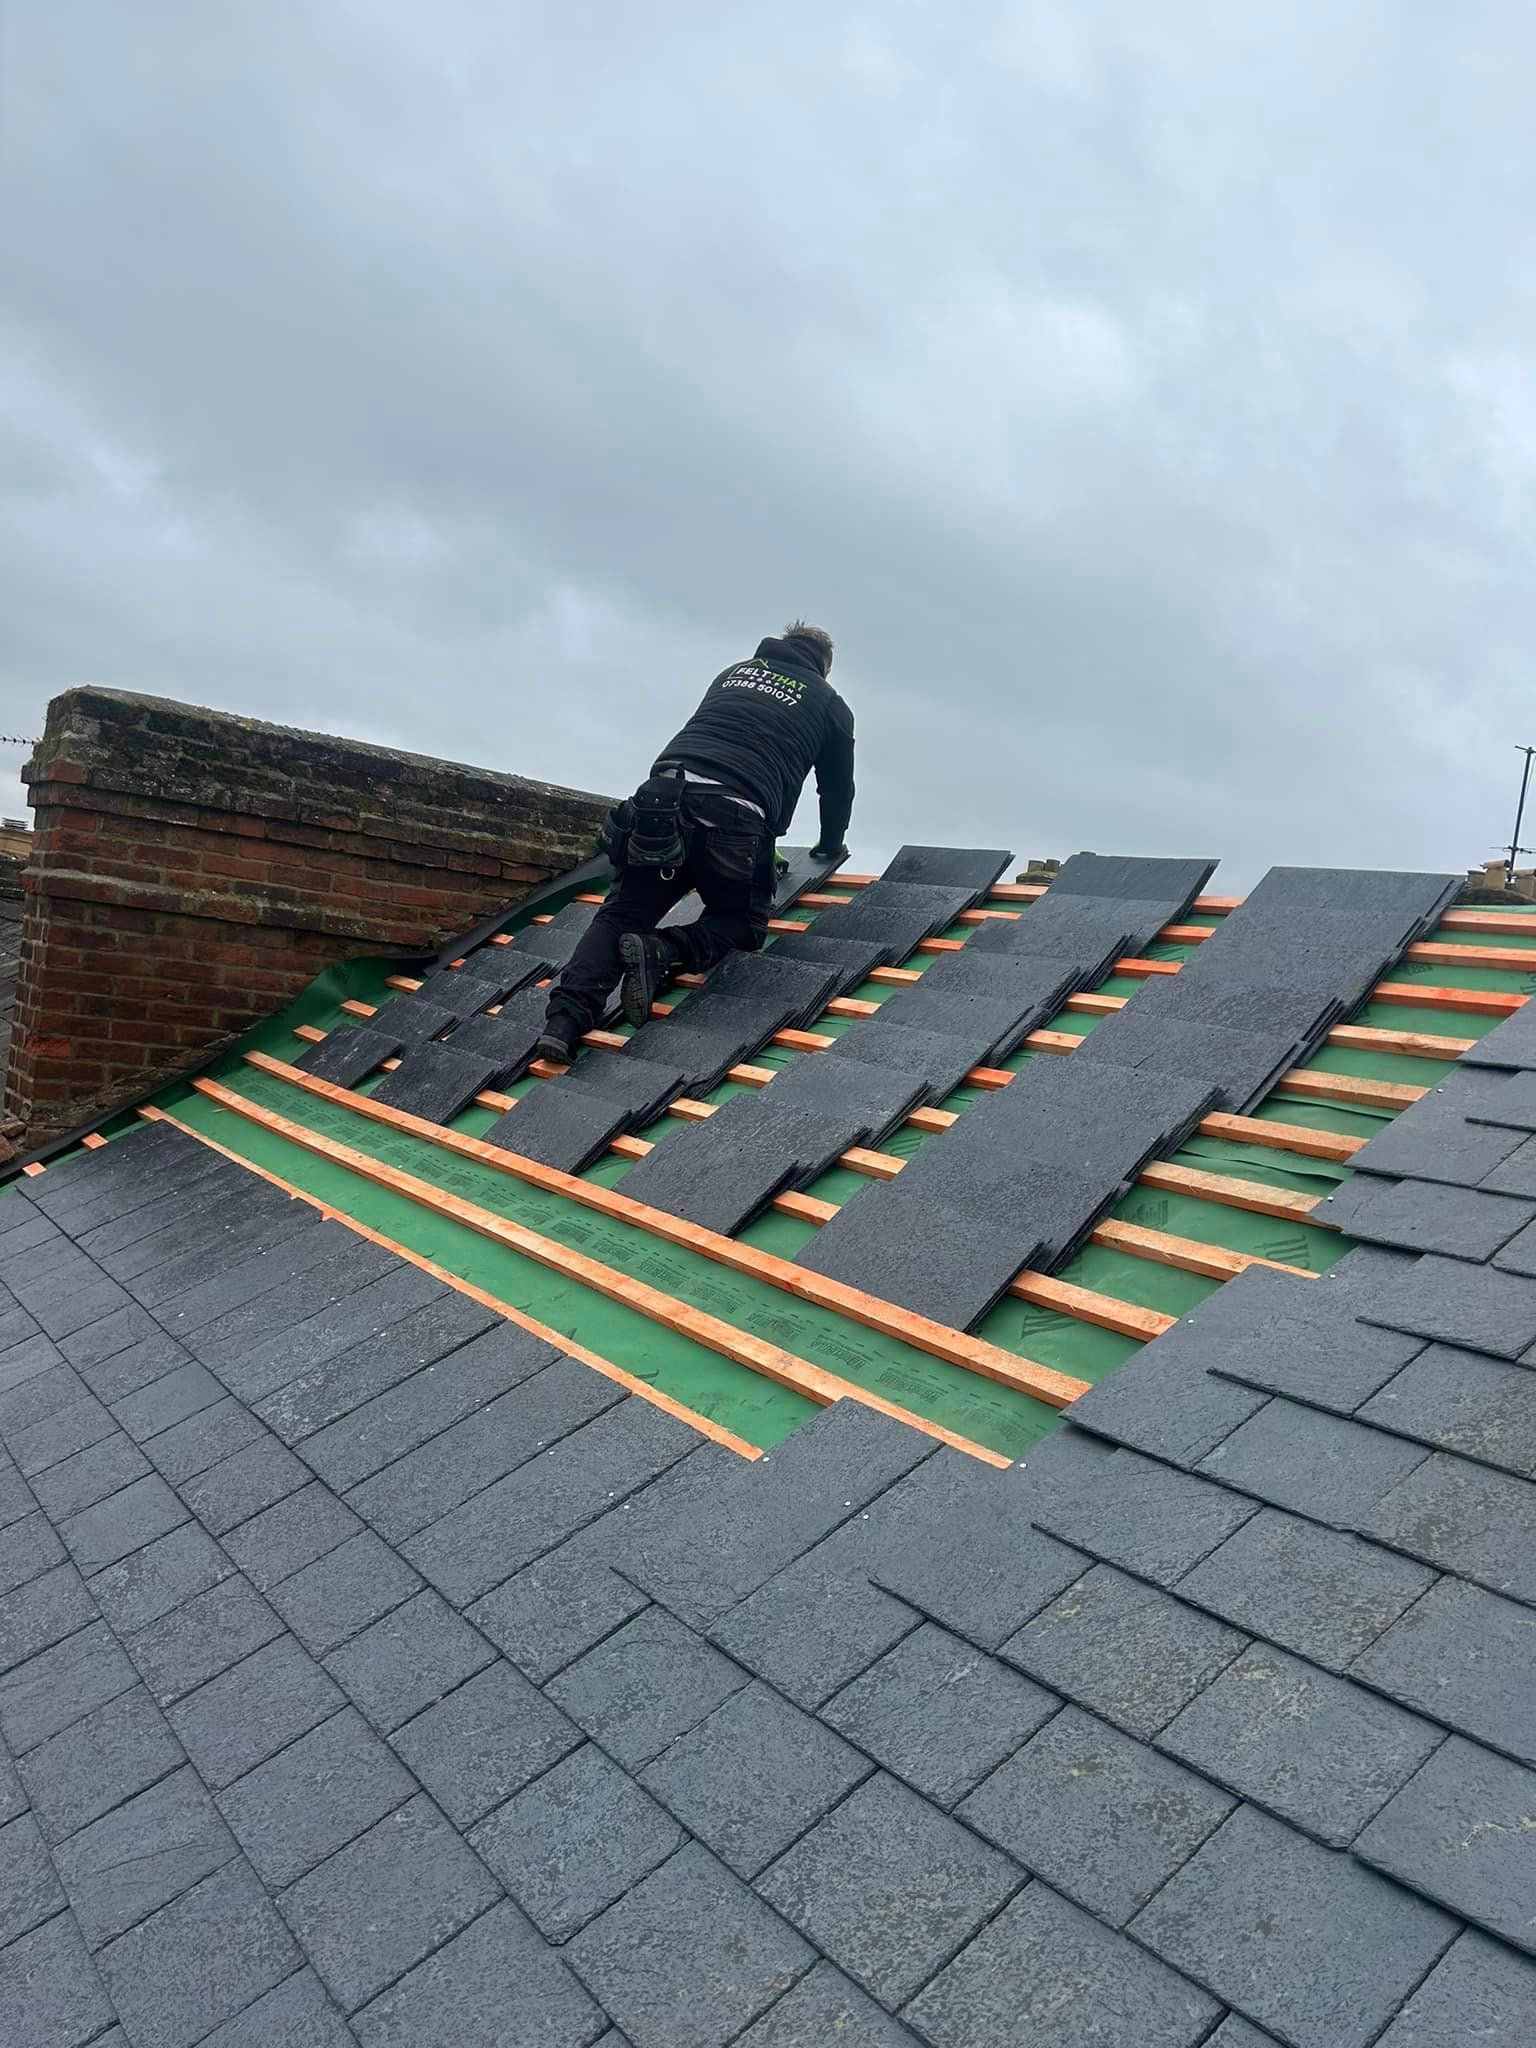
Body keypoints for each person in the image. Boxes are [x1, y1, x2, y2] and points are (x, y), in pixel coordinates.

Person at [539, 621, 855, 1063]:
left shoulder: (734, 672)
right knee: (742, 923)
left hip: (662, 802)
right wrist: (829, 845)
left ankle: (564, 1022)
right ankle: (663, 950)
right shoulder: (828, 702)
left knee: (622, 913)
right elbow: (836, 788)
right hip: (737, 818)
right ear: (824, 666)